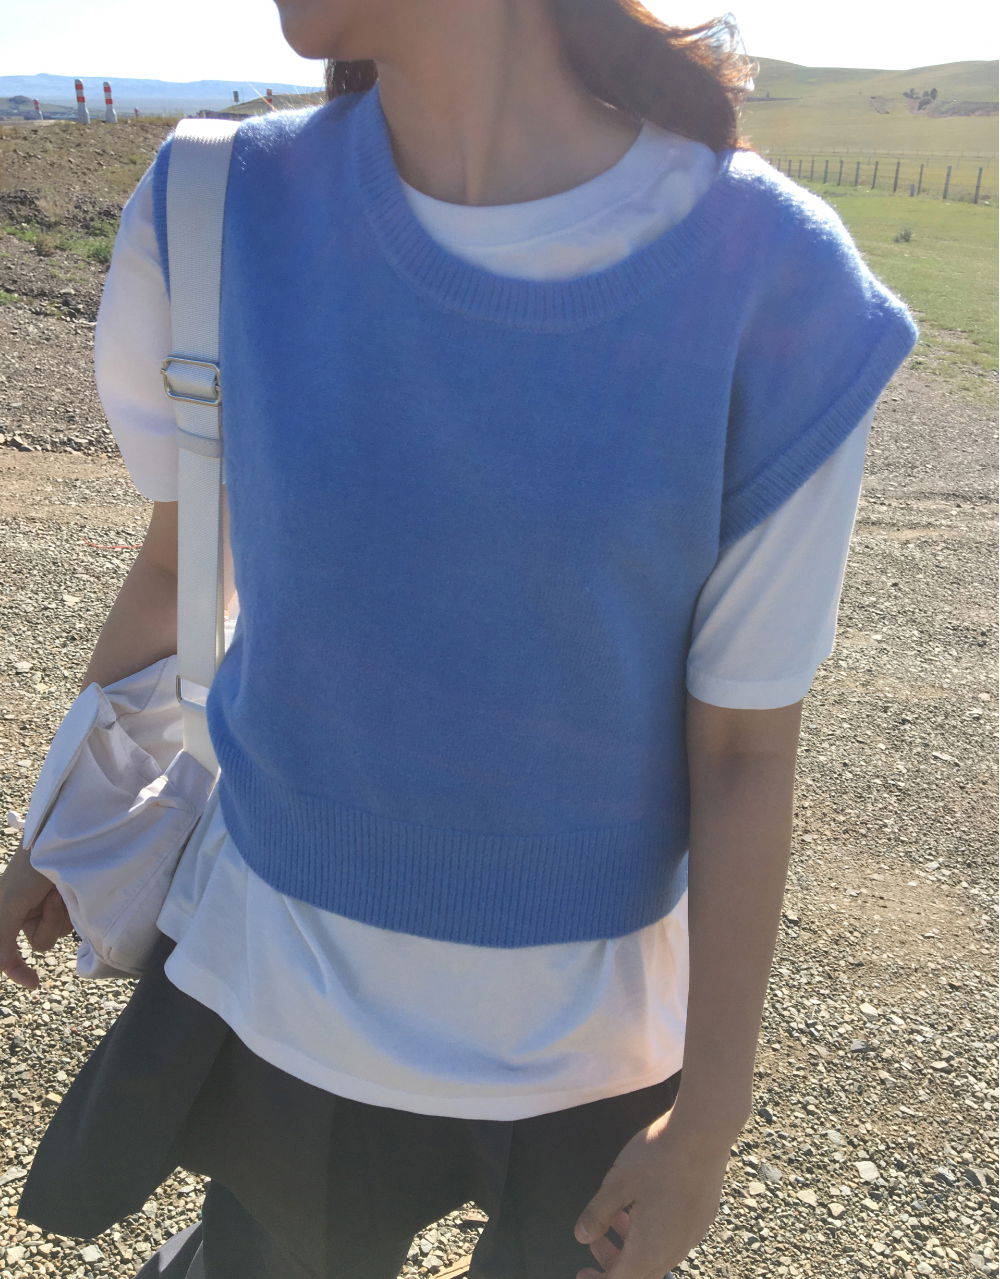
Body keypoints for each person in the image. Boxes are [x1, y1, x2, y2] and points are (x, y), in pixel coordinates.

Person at [0, 2, 918, 1277]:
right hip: (280, 1005)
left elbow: (744, 752)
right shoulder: (212, 208)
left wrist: (709, 1117)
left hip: (591, 1060)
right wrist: (59, 825)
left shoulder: (776, 280)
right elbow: (180, 562)